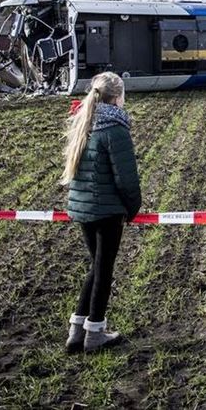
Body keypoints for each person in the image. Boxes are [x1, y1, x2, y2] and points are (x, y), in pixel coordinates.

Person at [61, 72, 142, 353]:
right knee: (103, 271)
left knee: (96, 267)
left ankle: (76, 331)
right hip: (107, 211)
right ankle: (95, 333)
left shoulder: (86, 123)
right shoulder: (115, 128)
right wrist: (132, 209)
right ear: (118, 96)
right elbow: (126, 179)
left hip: (83, 208)